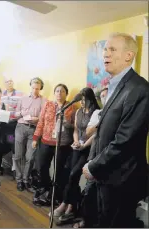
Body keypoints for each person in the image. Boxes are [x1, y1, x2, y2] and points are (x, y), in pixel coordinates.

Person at [82, 32, 149, 228]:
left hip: (121, 180)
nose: (106, 54)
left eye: (112, 49)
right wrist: (92, 162)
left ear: (129, 55)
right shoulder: (115, 86)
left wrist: (94, 166)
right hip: (104, 175)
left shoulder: (140, 89)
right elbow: (103, 131)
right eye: (105, 49)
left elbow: (125, 140)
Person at [55, 87, 100, 223]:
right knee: (70, 175)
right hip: (77, 146)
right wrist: (75, 141)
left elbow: (96, 134)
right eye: (81, 99)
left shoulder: (96, 113)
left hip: (88, 148)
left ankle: (66, 204)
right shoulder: (79, 111)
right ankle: (70, 205)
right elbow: (75, 129)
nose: (82, 102)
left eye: (84, 99)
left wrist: (83, 145)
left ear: (90, 99)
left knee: (75, 174)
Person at [32, 83, 77, 206]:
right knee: (42, 166)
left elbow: (75, 126)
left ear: (66, 94)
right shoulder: (48, 104)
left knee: (59, 171)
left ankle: (53, 194)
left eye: (62, 91)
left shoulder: (71, 107)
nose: (59, 93)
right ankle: (45, 188)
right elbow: (41, 121)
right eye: (57, 91)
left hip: (62, 144)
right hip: (46, 141)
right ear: (54, 93)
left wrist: (68, 125)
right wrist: (35, 138)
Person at [14, 77, 47, 192]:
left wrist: (36, 119)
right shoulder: (22, 99)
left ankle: (25, 180)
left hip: (33, 130)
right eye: (33, 88)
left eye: (37, 89)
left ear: (40, 88)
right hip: (20, 128)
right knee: (18, 155)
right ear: (30, 87)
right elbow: (15, 114)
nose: (35, 91)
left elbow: (44, 118)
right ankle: (18, 180)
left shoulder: (44, 101)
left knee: (30, 157)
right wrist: (22, 113)